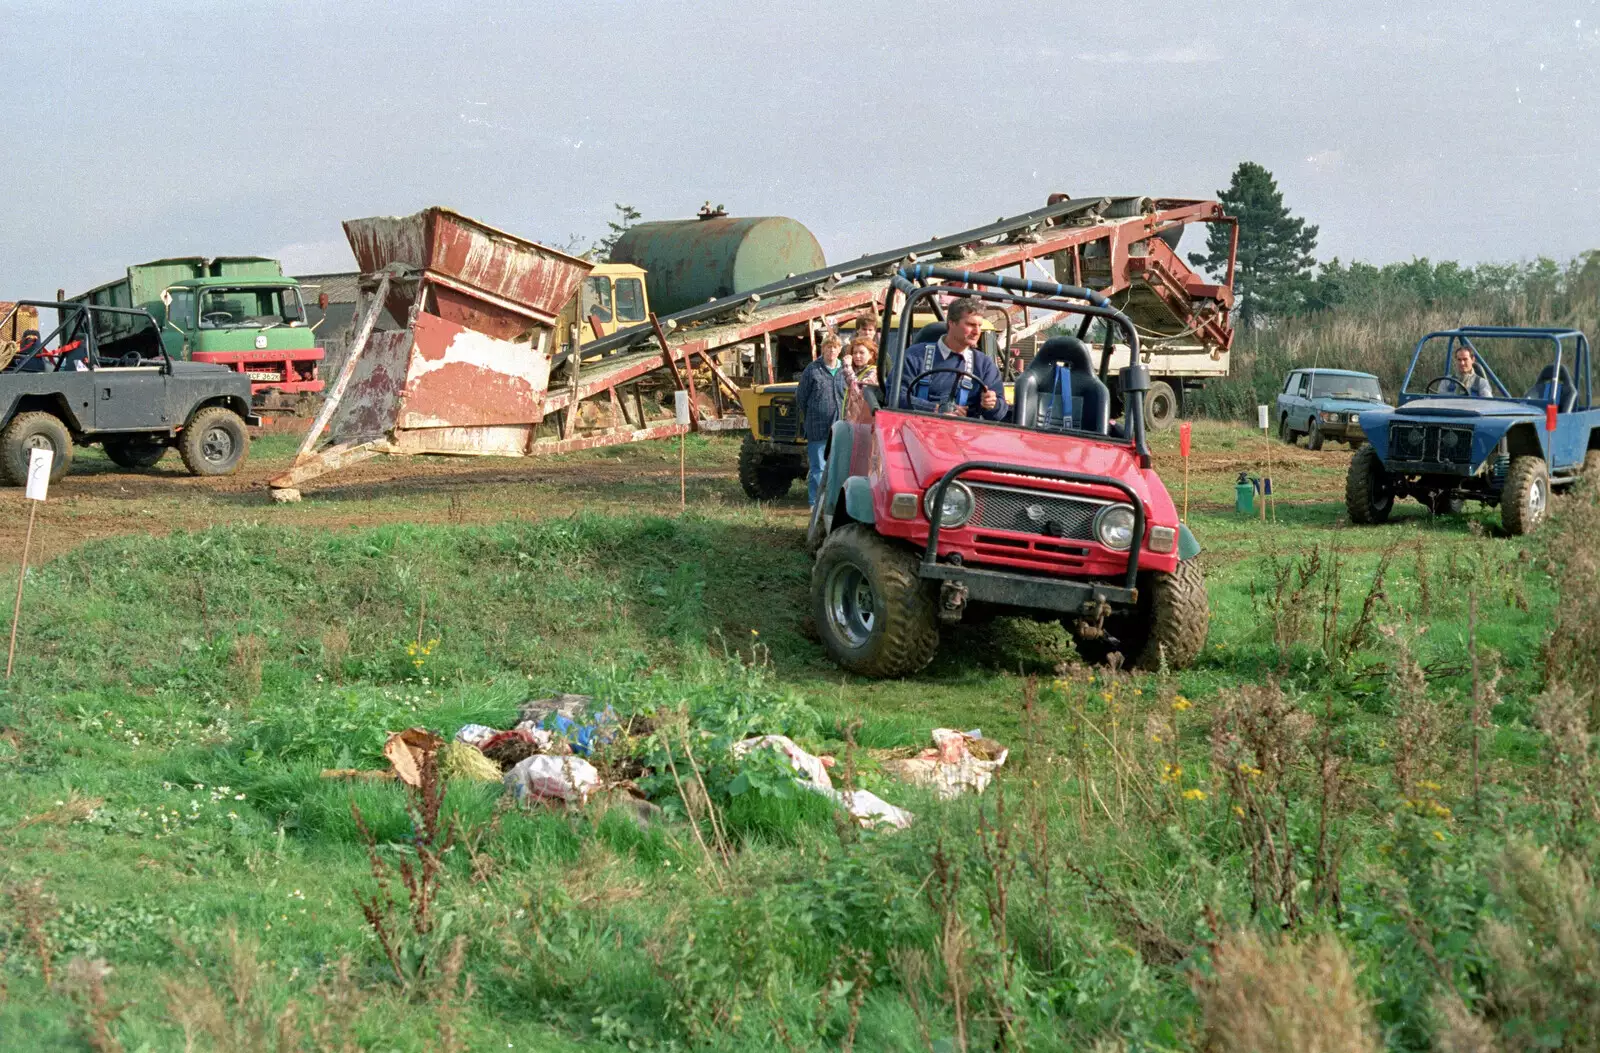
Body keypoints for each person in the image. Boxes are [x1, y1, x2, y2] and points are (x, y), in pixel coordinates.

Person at [897, 298, 1007, 420]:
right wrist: (935, 409)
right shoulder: (915, 356)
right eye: (971, 324)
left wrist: (992, 404)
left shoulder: (984, 365)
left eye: (979, 326)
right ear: (951, 323)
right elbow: (896, 397)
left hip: (965, 434)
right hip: (916, 429)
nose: (977, 332)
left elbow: (1000, 413)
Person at [796, 333, 847, 505]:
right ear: (822, 349)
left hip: (840, 428)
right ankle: (815, 504)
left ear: (839, 350)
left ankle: (832, 504)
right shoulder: (812, 369)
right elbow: (801, 397)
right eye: (828, 346)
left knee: (838, 468)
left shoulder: (845, 370)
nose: (831, 350)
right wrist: (815, 413)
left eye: (835, 347)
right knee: (818, 468)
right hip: (817, 427)